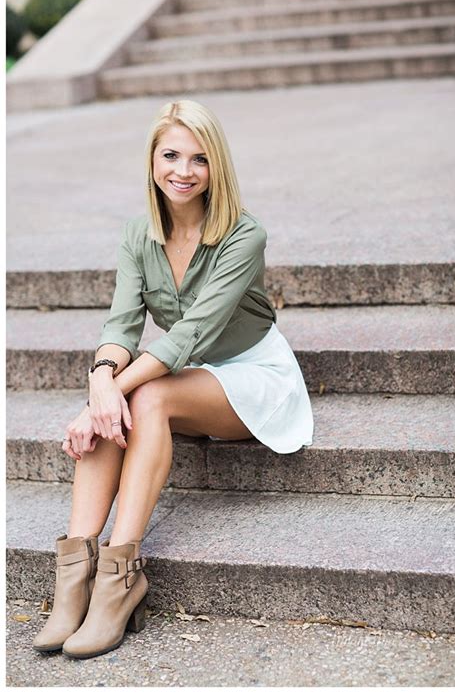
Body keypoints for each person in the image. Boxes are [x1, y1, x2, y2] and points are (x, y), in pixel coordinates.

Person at [32, 99, 314, 659]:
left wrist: (101, 401)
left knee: (146, 394)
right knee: (120, 391)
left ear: (217, 168)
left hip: (253, 374)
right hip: (186, 369)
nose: (183, 171)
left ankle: (119, 580)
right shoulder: (139, 234)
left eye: (199, 159)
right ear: (152, 160)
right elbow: (120, 324)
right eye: (171, 155)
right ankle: (74, 579)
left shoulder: (244, 234)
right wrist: (102, 378)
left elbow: (189, 336)